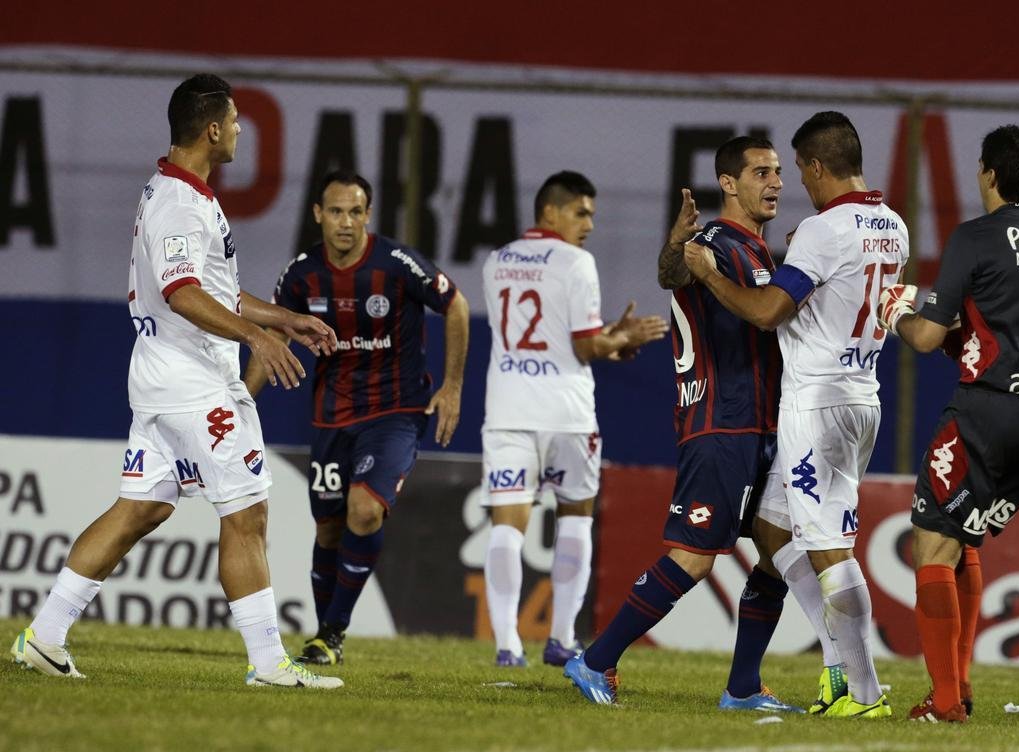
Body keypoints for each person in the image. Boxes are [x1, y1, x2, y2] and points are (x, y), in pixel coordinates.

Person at [9, 74, 343, 688]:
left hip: (164, 373)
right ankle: (269, 664)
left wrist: (284, 319)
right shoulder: (180, 205)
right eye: (236, 121)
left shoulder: (179, 191)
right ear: (212, 129)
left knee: (141, 507)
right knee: (246, 512)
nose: (242, 131)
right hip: (196, 383)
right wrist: (256, 338)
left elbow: (210, 288)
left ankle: (45, 636)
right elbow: (182, 292)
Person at [565, 136, 836, 712]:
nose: (776, 182)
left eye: (779, 172)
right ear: (729, 183)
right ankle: (595, 660)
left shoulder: (753, 252)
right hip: (722, 422)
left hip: (762, 425)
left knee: (777, 552)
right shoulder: (717, 242)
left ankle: (741, 687)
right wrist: (678, 242)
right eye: (761, 171)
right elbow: (675, 276)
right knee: (694, 556)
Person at [676, 113, 906, 719]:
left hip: (817, 405)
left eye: (793, 170)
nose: (790, 183)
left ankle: (864, 695)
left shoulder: (820, 231)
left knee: (831, 548)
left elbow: (767, 311)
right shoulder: (895, 226)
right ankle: (836, 666)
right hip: (863, 395)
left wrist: (708, 274)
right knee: (773, 532)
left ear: (815, 167)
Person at [877, 125, 1019, 722]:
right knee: (964, 534)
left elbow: (924, 337)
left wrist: (897, 311)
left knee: (931, 543)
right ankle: (961, 686)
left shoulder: (975, 238)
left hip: (988, 410)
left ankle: (944, 702)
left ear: (990, 174)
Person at [244, 170, 469, 666]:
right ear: (318, 215)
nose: (346, 222)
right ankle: (326, 637)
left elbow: (456, 306)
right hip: (331, 416)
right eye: (337, 212)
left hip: (396, 411)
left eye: (356, 212)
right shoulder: (301, 275)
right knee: (327, 529)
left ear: (368, 215)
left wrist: (452, 386)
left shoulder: (397, 264)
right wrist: (242, 399)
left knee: (363, 511)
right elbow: (275, 335)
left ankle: (332, 632)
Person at [480, 170, 668, 667]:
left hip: (508, 408)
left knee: (506, 525)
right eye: (581, 212)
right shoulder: (576, 263)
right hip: (566, 411)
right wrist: (620, 341)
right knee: (575, 518)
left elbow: (551, 334)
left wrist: (606, 337)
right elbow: (584, 347)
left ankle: (506, 644)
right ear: (550, 212)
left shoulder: (496, 262)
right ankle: (560, 637)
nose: (588, 223)